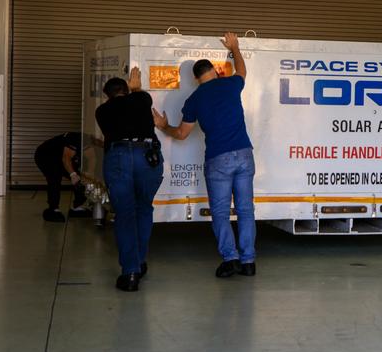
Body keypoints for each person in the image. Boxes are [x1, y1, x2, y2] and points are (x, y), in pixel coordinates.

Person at [156, 32, 256, 278]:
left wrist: (163, 126)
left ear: (195, 78)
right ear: (215, 71)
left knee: (220, 212)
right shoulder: (231, 84)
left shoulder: (194, 99)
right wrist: (234, 48)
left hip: (218, 159)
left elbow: (182, 134)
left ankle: (230, 259)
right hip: (244, 154)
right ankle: (248, 262)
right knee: (245, 210)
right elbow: (242, 70)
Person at [95, 67, 164, 292]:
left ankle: (130, 272)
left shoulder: (101, 111)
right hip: (148, 157)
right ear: (126, 90)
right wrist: (136, 87)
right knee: (144, 208)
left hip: (119, 157)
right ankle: (140, 261)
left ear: (107, 95)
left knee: (125, 214)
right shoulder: (141, 99)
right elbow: (139, 99)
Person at [33, 132, 89, 222]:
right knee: (55, 177)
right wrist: (73, 175)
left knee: (81, 178)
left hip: (60, 157)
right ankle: (53, 208)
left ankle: (77, 207)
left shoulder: (93, 144)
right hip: (45, 155)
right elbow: (66, 159)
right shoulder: (75, 139)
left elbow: (92, 160)